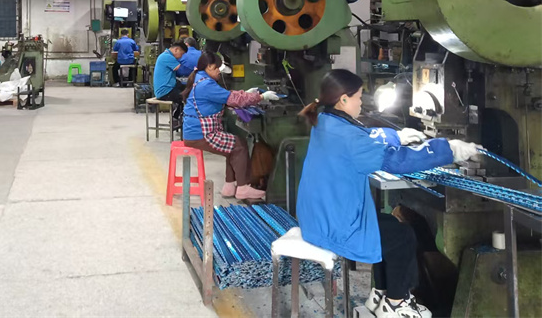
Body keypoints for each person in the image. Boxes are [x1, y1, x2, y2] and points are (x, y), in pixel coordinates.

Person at [296, 69, 483, 318]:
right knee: (402, 236)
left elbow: (365, 136)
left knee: (389, 226)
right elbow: (398, 161)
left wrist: (397, 136)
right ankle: (397, 303)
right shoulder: (349, 138)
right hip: (335, 228)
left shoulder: (325, 122)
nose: (361, 103)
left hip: (318, 219)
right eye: (359, 97)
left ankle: (380, 294)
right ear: (343, 99)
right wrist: (448, 150)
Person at [182, 51, 279, 202]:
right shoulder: (206, 84)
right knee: (239, 146)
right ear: (209, 67)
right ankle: (243, 188)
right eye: (217, 68)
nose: (219, 72)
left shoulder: (200, 79)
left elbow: (223, 95)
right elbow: (232, 99)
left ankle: (229, 185)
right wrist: (260, 97)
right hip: (201, 134)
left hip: (195, 132)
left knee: (232, 145)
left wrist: (244, 93)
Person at [153, 41, 188, 121]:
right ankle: (176, 119)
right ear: (176, 50)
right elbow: (182, 71)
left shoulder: (165, 55)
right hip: (165, 92)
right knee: (186, 97)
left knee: (186, 88)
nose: (181, 57)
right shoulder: (167, 57)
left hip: (168, 88)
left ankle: (176, 118)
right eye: (181, 54)